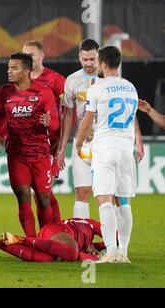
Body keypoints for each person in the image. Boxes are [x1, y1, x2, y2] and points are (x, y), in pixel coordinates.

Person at [58, 39, 144, 219]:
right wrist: (62, 147)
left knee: (110, 196)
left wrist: (138, 139)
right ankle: (84, 240)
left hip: (106, 142)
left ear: (100, 59)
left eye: (92, 59)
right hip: (84, 142)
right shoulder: (73, 80)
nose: (89, 63)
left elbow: (130, 111)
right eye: (84, 59)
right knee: (82, 192)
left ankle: (115, 239)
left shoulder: (112, 81)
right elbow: (68, 114)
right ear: (79, 58)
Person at [76, 46, 138, 263]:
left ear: (102, 64)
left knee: (104, 200)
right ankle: (124, 253)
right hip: (125, 150)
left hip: (104, 148)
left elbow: (87, 120)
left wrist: (78, 143)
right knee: (124, 201)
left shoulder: (98, 88)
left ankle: (111, 251)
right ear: (118, 63)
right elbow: (131, 119)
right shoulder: (131, 88)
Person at [0, 52, 59, 238]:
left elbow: (55, 123)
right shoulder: (5, 91)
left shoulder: (44, 92)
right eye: (8, 67)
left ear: (27, 70)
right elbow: (1, 116)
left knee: (44, 200)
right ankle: (32, 241)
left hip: (40, 155)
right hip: (16, 154)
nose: (9, 71)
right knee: (23, 197)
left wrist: (49, 122)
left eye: (14, 68)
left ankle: (44, 239)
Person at [22, 40, 65, 222]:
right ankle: (55, 232)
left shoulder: (55, 79)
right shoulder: (20, 78)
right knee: (39, 192)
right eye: (25, 55)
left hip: (49, 142)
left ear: (42, 56)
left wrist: (61, 147)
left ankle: (53, 232)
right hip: (27, 143)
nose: (28, 58)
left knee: (41, 193)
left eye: (31, 55)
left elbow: (67, 111)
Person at [0, 218, 104, 262]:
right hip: (61, 231)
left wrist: (97, 253)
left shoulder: (85, 245)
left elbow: (91, 249)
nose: (93, 253)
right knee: (72, 253)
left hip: (47, 237)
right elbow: (112, 236)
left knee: (50, 258)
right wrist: (100, 257)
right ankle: (20, 239)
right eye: (94, 251)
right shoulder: (91, 225)